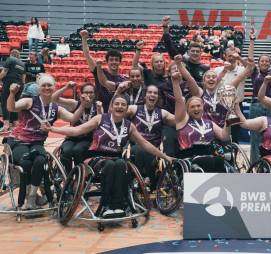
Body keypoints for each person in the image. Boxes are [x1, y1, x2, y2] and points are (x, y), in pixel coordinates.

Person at [43, 94, 174, 217]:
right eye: (117, 104)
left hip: (116, 158)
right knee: (111, 164)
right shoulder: (100, 119)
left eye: (123, 105)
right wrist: (53, 129)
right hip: (95, 158)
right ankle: (106, 205)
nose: (120, 107)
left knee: (122, 163)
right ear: (111, 107)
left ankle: (118, 206)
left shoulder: (129, 126)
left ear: (127, 108)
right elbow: (76, 130)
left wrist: (164, 156)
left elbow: (145, 143)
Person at [4, 75, 84, 209]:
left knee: (41, 160)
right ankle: (29, 196)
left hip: (37, 143)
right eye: (44, 85)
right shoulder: (29, 101)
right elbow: (11, 108)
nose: (47, 88)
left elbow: (73, 118)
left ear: (54, 87)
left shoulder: (56, 108)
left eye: (49, 85)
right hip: (19, 141)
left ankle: (32, 197)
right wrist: (12, 93)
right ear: (39, 88)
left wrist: (82, 105)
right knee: (26, 161)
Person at [171, 69, 231, 172]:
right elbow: (179, 100)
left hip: (209, 155)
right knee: (205, 162)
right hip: (189, 157)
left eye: (198, 106)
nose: (196, 108)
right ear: (187, 110)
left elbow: (224, 136)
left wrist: (229, 120)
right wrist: (175, 82)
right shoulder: (182, 121)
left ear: (203, 107)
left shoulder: (209, 123)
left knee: (220, 161)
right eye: (192, 107)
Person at [126, 85, 176, 185]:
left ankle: (152, 183)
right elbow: (114, 113)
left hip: (155, 148)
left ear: (158, 97)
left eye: (155, 93)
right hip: (136, 146)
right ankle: (137, 181)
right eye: (150, 92)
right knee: (140, 150)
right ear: (145, 96)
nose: (152, 95)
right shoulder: (134, 109)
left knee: (153, 153)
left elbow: (180, 121)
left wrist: (180, 101)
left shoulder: (163, 113)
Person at [247, 26, 271, 164]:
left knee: (269, 135)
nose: (265, 63)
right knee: (255, 137)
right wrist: (252, 40)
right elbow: (250, 58)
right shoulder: (254, 72)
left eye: (267, 61)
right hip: (255, 105)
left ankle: (268, 163)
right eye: (262, 61)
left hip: (270, 106)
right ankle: (255, 164)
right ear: (259, 62)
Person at [52, 81, 102, 171]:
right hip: (72, 137)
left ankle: (81, 175)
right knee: (66, 151)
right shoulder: (74, 104)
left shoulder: (98, 106)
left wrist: (99, 110)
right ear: (81, 94)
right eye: (86, 92)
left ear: (94, 94)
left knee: (77, 150)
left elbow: (100, 125)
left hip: (88, 138)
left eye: (91, 92)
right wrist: (66, 87)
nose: (88, 94)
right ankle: (68, 175)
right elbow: (54, 98)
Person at [80, 29, 126, 112]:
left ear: (120, 62)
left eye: (116, 60)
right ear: (107, 62)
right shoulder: (100, 71)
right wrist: (84, 38)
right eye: (111, 60)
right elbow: (87, 55)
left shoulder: (123, 79)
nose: (114, 62)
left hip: (115, 112)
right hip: (98, 111)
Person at [162, 16, 209, 84]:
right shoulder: (182, 62)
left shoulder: (205, 68)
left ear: (201, 53)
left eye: (197, 51)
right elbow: (170, 48)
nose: (195, 53)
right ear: (188, 52)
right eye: (192, 51)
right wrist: (165, 29)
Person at [0, 49, 25, 132]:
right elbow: (23, 79)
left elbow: (4, 72)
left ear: (11, 54)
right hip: (20, 84)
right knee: (14, 104)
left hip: (10, 82)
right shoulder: (23, 64)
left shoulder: (10, 59)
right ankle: (15, 125)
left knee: (5, 102)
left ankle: (6, 124)